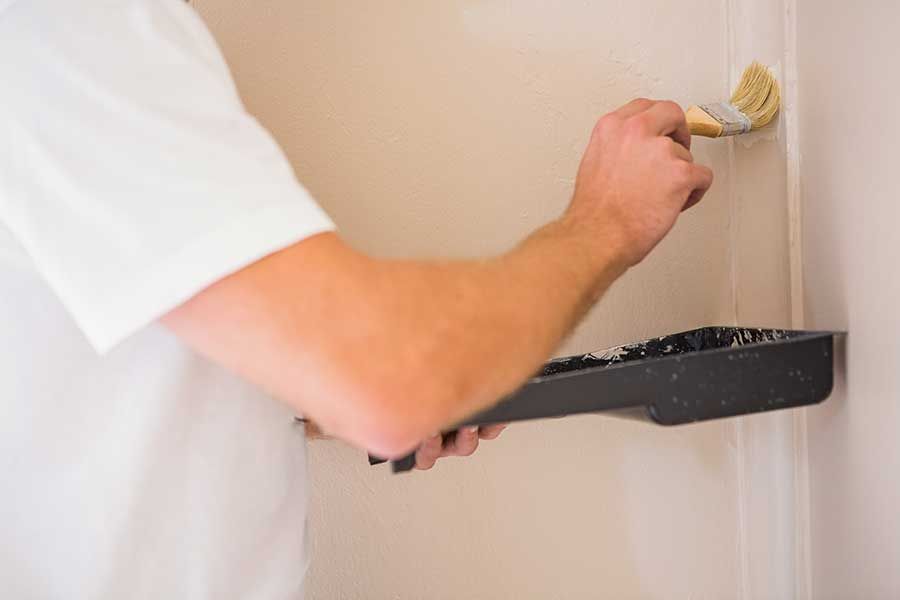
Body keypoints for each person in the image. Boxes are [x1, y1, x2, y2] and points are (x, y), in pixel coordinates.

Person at [0, 0, 713, 598]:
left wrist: (320, 383)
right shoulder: (75, 28)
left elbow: (95, 350)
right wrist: (606, 220)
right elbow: (395, 377)